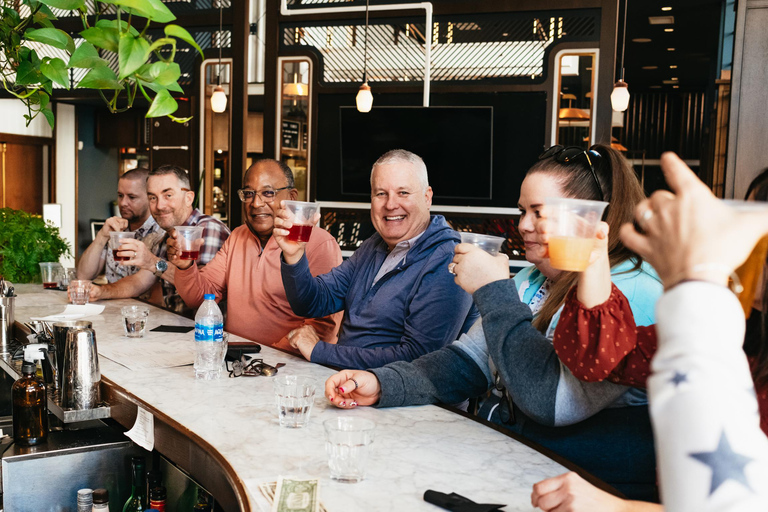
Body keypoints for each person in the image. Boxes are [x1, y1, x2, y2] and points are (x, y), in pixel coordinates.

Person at [324, 144, 663, 499]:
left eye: (538, 212)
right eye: (522, 211)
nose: (523, 226)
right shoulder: (534, 278)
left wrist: (492, 290)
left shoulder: (625, 291)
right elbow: (466, 361)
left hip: (593, 490)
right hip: (520, 465)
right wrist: (381, 384)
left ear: (587, 219)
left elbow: (553, 403)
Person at [530, 158, 768, 511]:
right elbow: (607, 358)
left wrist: (618, 508)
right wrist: (594, 258)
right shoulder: (739, 333)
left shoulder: (707, 321)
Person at [273, 149, 479, 369]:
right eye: (381, 193)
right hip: (350, 387)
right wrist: (294, 256)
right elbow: (311, 302)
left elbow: (419, 361)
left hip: (412, 402)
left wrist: (320, 351)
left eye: (403, 193)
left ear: (427, 197)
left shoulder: (448, 258)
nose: (390, 204)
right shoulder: (375, 245)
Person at [171, 159, 343, 348]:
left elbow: (323, 326)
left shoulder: (319, 242)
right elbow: (201, 296)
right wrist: (185, 266)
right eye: (249, 194)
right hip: (234, 360)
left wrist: (265, 357)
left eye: (268, 193)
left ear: (292, 197)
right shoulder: (238, 236)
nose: (256, 203)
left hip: (286, 368)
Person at [89, 165, 230, 313]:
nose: (159, 206)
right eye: (152, 198)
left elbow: (204, 294)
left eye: (168, 195)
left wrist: (150, 261)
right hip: (176, 327)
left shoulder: (208, 229)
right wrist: (99, 291)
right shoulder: (165, 237)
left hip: (206, 332)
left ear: (188, 198)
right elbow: (139, 281)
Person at [76, 168, 164, 283]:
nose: (123, 203)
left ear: (150, 198)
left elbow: (142, 287)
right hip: (110, 299)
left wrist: (103, 292)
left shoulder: (161, 233)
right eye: (120, 195)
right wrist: (102, 236)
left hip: (137, 301)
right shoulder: (116, 229)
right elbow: (83, 276)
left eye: (131, 197)